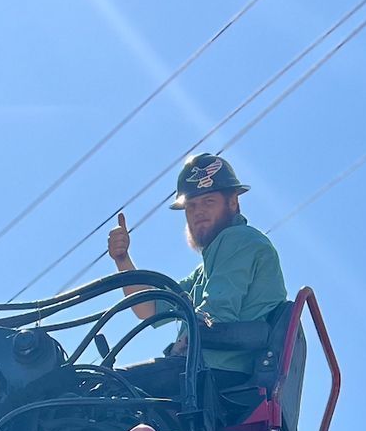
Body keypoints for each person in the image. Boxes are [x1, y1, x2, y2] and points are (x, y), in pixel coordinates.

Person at [105, 152, 287, 406]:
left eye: (208, 201)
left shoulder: (240, 240)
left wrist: (187, 341)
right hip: (209, 375)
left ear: (233, 203)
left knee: (100, 387)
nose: (198, 212)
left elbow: (217, 312)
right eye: (191, 206)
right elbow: (151, 307)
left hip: (216, 375)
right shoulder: (207, 269)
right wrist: (123, 261)